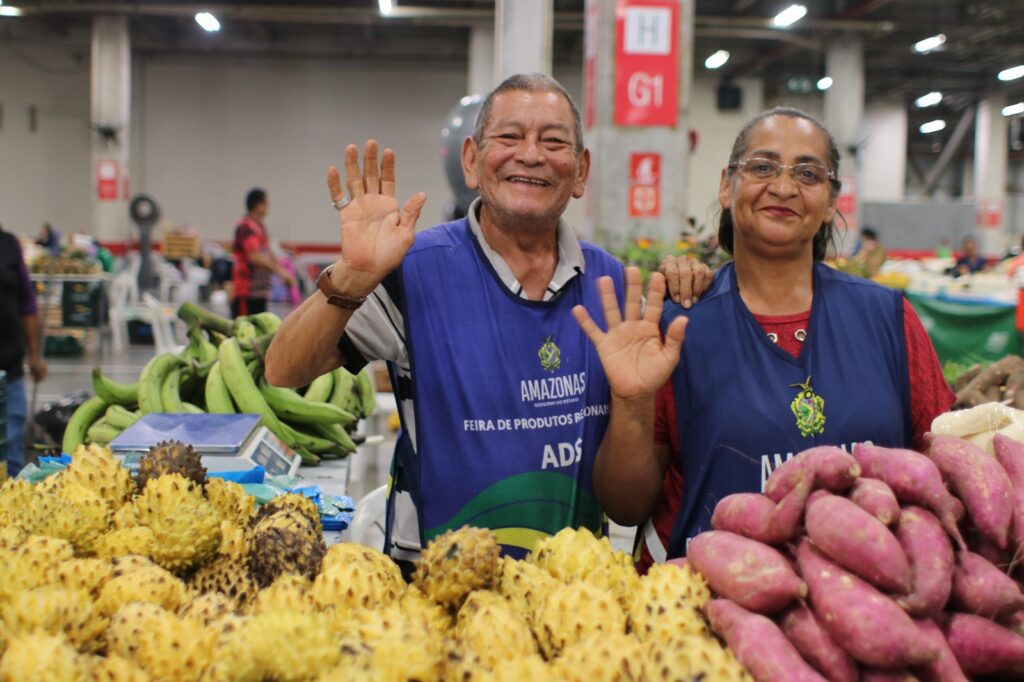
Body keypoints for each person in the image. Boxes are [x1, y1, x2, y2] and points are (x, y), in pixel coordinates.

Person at [265, 73, 706, 563]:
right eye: (510, 137)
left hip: (569, 592)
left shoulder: (609, 288)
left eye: (554, 142)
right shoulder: (414, 270)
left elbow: (626, 508)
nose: (532, 155)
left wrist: (636, 396)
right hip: (432, 587)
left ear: (581, 171)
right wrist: (352, 275)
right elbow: (284, 369)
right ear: (472, 161)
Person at [573, 108, 953, 566]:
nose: (784, 186)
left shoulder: (887, 317)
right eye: (762, 167)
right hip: (701, 612)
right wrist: (632, 401)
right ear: (726, 185)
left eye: (809, 174)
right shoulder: (675, 329)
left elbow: (946, 465)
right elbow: (626, 508)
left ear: (832, 200)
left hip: (871, 605)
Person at [0, 224, 47, 478]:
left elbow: (27, 304)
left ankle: (11, 503)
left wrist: (35, 355)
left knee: (13, 444)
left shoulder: (8, 245)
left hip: (10, 369)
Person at [231, 188, 295, 317]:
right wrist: (280, 271)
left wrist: (282, 271)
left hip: (260, 291)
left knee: (260, 327)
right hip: (247, 290)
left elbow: (268, 251)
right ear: (257, 205)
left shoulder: (259, 226)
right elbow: (254, 257)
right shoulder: (246, 227)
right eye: (266, 204)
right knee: (245, 329)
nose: (268, 207)